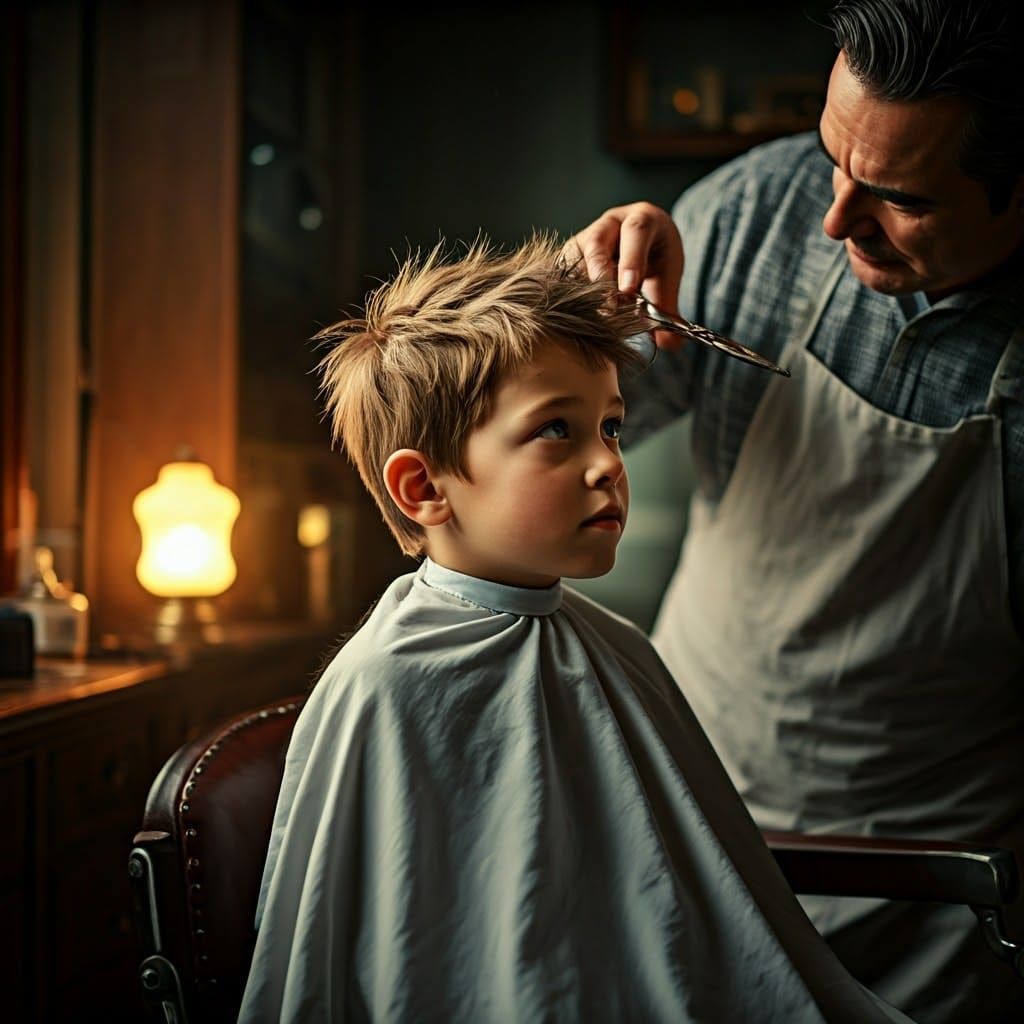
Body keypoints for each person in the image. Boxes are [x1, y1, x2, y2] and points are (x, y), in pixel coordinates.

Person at [237, 235, 909, 1022]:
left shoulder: (616, 646)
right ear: (424, 486)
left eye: (613, 428)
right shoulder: (388, 683)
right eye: (558, 430)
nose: (607, 464)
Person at [570, 1, 1024, 1021]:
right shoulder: (756, 213)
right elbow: (550, 428)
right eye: (832, 158)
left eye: (898, 197)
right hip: (685, 809)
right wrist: (566, 315)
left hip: (930, 890)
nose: (835, 218)